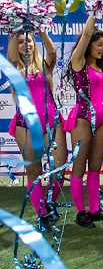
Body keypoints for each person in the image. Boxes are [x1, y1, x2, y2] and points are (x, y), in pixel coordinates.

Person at [7, 30, 67, 228]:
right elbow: (11, 57)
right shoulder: (14, 68)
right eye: (21, 42)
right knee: (34, 172)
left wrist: (40, 27)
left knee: (60, 168)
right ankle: (42, 215)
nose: (26, 45)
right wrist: (13, 29)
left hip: (51, 122)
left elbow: (52, 51)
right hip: (25, 125)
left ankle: (49, 203)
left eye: (29, 41)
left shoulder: (44, 66)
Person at [65, 14, 103, 228]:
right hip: (82, 118)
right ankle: (80, 212)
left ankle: (94, 210)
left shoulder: (99, 64)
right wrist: (95, 10)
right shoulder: (79, 62)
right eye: (98, 44)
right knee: (79, 168)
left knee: (95, 167)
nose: (102, 48)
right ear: (89, 45)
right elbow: (85, 34)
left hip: (101, 119)